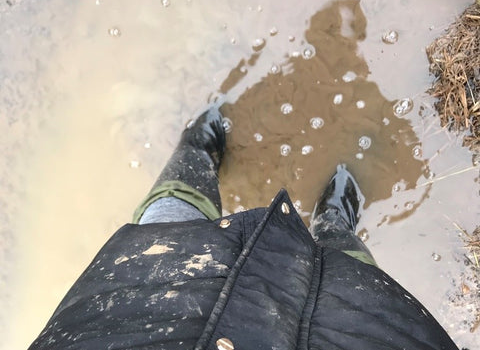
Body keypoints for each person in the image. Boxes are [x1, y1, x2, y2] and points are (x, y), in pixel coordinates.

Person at [28, 105, 459, 350]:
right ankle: (332, 222)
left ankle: (196, 152)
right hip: (353, 336)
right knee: (348, 274)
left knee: (169, 219)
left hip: (137, 319)